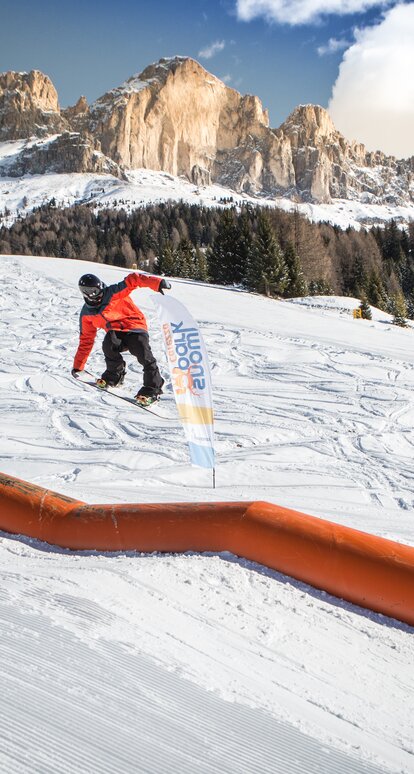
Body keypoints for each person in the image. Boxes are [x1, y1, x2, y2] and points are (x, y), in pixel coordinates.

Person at [72, 271, 171, 406]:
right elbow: (86, 340)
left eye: (95, 290)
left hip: (135, 325)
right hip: (117, 331)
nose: (93, 294)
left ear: (100, 287)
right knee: (108, 343)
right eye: (87, 291)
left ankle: (152, 388)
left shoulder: (112, 293)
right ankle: (115, 376)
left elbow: (133, 280)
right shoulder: (87, 314)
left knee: (142, 351)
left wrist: (157, 283)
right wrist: (78, 366)